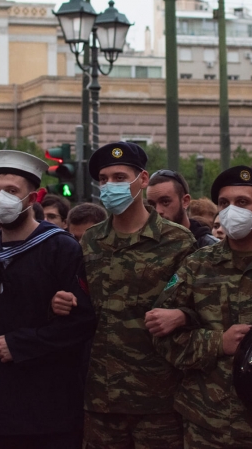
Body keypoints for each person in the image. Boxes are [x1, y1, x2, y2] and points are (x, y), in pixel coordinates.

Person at [52, 141, 196, 449]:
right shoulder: (91, 240)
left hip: (158, 398)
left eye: (119, 178)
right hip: (101, 397)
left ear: (142, 180)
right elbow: (82, 303)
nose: (109, 186)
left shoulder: (177, 240)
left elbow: (198, 306)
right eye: (103, 180)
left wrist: (183, 315)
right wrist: (64, 301)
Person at [0, 151, 96, 449]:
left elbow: (83, 322)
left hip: (48, 407)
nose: (1, 198)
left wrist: (22, 344)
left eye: (11, 191)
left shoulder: (61, 249)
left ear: (32, 198)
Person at [150, 166, 252, 448]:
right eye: (224, 203)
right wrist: (217, 342)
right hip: (206, 422)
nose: (231, 211)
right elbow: (161, 334)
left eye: (242, 202)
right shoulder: (197, 264)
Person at [147, 169, 218, 250]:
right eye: (152, 204)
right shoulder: (143, 247)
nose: (158, 211)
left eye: (165, 202)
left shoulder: (211, 249)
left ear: (185, 201)